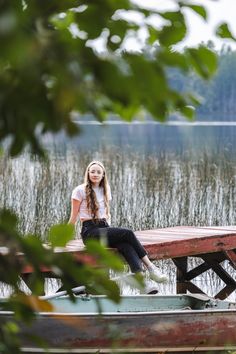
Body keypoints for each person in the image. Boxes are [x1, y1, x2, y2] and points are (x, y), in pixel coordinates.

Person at [68, 160, 168, 293]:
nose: (95, 174)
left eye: (98, 172)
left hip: (104, 228)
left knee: (126, 245)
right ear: (88, 173)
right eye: (92, 171)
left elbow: (106, 214)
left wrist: (110, 231)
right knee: (128, 233)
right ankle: (150, 267)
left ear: (103, 174)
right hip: (90, 232)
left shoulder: (105, 189)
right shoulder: (79, 190)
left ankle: (142, 283)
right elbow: (73, 217)